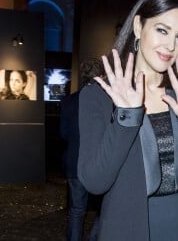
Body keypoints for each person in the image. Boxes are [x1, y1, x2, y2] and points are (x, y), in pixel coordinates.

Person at [77, 0, 178, 240]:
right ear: (138, 26)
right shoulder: (100, 96)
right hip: (129, 230)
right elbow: (94, 181)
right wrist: (126, 116)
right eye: (162, 30)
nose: (171, 45)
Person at [60, 58, 104, 241]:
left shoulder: (68, 101)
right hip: (99, 163)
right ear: (101, 76)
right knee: (104, 209)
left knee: (77, 210)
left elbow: (63, 133)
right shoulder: (107, 102)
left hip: (74, 162)